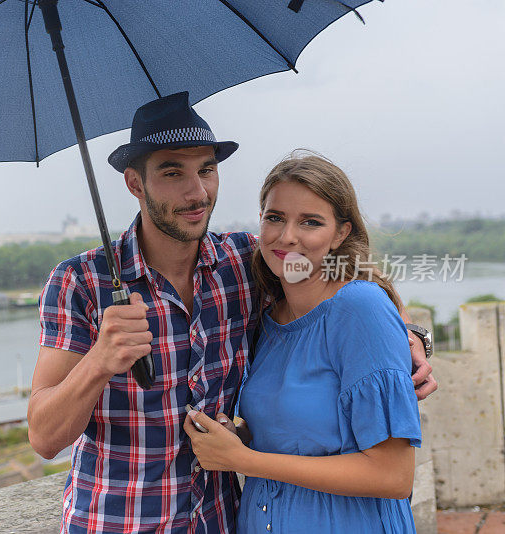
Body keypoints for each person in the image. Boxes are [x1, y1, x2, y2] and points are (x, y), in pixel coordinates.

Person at [28, 92, 435, 533]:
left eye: (206, 170)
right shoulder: (82, 283)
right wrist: (100, 362)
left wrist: (407, 335)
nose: (197, 191)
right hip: (119, 522)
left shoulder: (244, 263)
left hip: (221, 520)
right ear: (134, 184)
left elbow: (345, 278)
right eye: (172, 172)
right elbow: (45, 438)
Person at [184, 152, 422, 533]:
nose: (287, 236)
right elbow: (297, 431)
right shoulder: (267, 318)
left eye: (310, 222)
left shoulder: (359, 308)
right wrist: (238, 434)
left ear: (340, 233)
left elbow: (392, 475)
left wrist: (243, 460)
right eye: (275, 217)